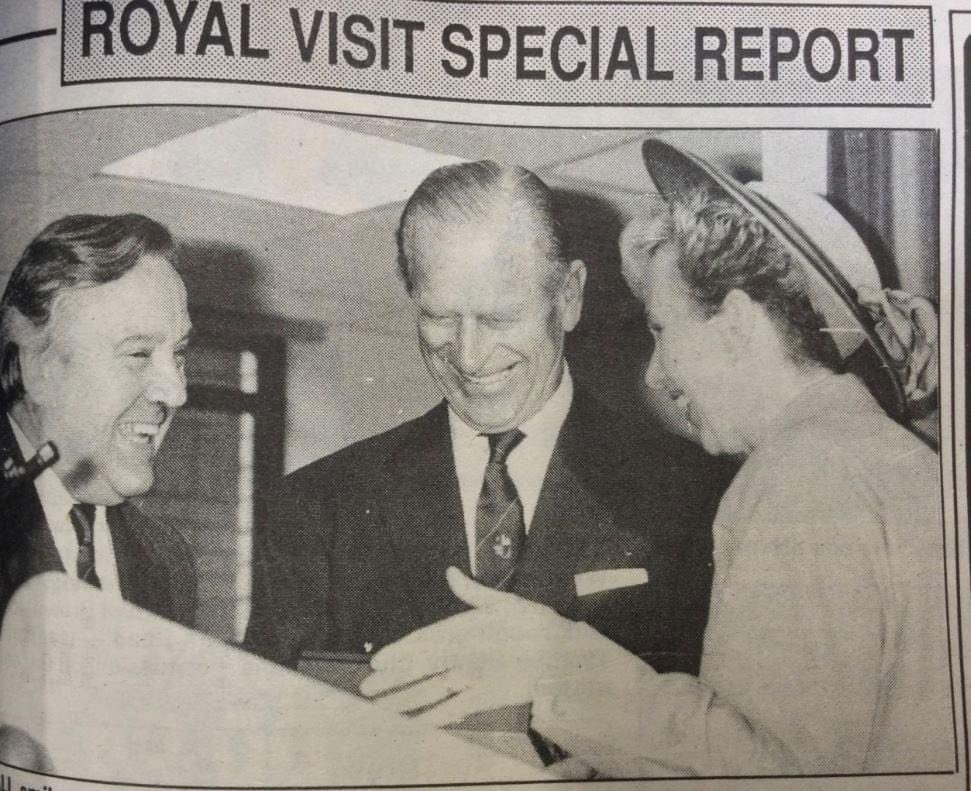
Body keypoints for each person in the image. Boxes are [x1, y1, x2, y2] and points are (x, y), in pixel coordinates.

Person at [360, 143, 952, 775]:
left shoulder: (800, 476)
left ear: (736, 323)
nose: (655, 374)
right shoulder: (904, 464)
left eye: (662, 330)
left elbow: (773, 774)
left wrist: (554, 666)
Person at [245, 161, 733, 676]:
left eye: (500, 318)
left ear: (569, 296)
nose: (470, 356)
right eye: (440, 317)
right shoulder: (316, 509)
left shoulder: (697, 494)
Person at [0, 214, 197, 628]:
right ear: (38, 368)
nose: (176, 392)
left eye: (178, 354)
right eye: (138, 354)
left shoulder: (168, 560)